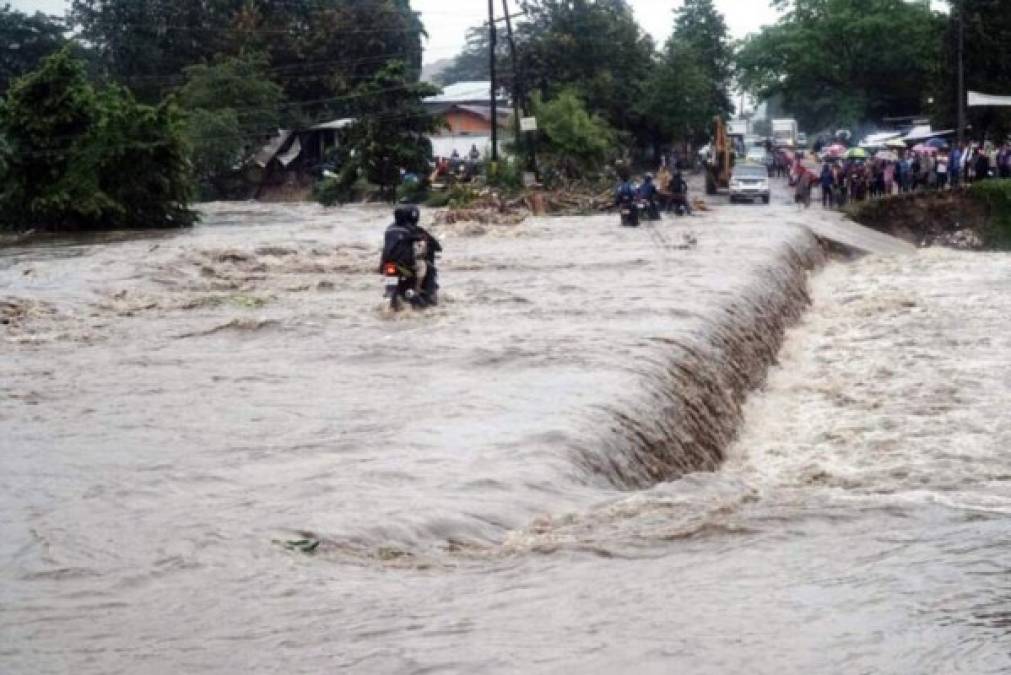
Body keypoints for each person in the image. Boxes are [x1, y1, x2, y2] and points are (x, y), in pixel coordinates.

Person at [380, 204, 440, 305]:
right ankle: (423, 294)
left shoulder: (389, 229)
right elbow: (430, 242)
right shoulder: (413, 229)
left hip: (388, 264)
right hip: (406, 264)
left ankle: (391, 293)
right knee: (429, 268)